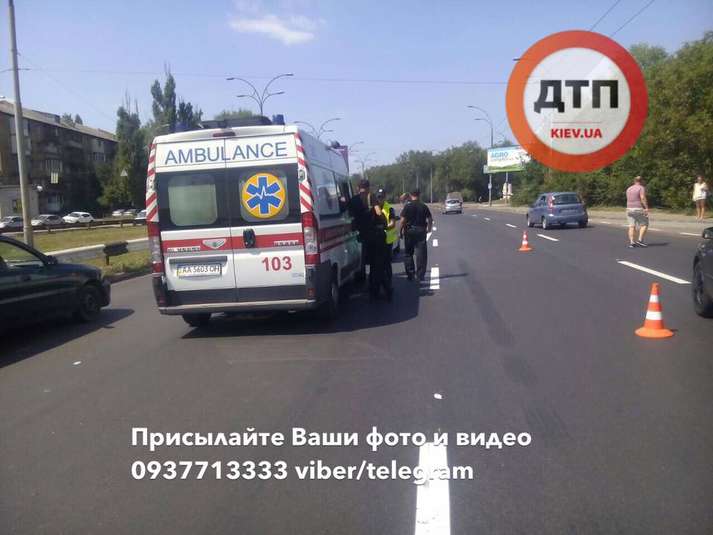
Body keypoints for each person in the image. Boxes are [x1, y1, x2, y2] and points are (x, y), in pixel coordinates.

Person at [400, 188, 432, 281]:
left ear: (411, 195)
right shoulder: (423, 206)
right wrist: (429, 229)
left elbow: (402, 221)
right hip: (421, 231)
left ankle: (410, 274)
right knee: (421, 253)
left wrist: (400, 231)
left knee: (408, 253)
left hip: (409, 231)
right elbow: (430, 219)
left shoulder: (407, 206)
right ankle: (420, 275)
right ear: (419, 195)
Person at [366, 193, 392, 301]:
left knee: (374, 268)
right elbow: (383, 221)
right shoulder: (376, 212)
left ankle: (374, 292)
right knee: (379, 268)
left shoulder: (366, 211)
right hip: (378, 242)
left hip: (371, 242)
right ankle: (386, 291)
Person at [348, 179, 372, 282]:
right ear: (368, 188)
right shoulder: (371, 198)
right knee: (371, 259)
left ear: (358, 188)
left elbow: (349, 214)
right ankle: (369, 279)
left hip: (357, 232)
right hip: (369, 232)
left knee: (360, 257)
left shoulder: (353, 200)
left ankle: (361, 277)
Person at [378, 189, 398, 279]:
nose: (380, 199)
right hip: (377, 238)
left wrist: (384, 227)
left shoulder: (389, 208)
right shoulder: (375, 208)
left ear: (385, 197)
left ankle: (388, 281)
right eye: (379, 197)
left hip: (387, 239)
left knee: (386, 262)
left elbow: (392, 223)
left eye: (382, 197)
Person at [626, 176, 649, 248]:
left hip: (629, 209)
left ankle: (632, 242)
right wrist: (646, 207)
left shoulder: (629, 188)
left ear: (634, 181)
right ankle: (640, 240)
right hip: (638, 208)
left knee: (631, 226)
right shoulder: (641, 188)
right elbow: (642, 198)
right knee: (644, 224)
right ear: (641, 181)